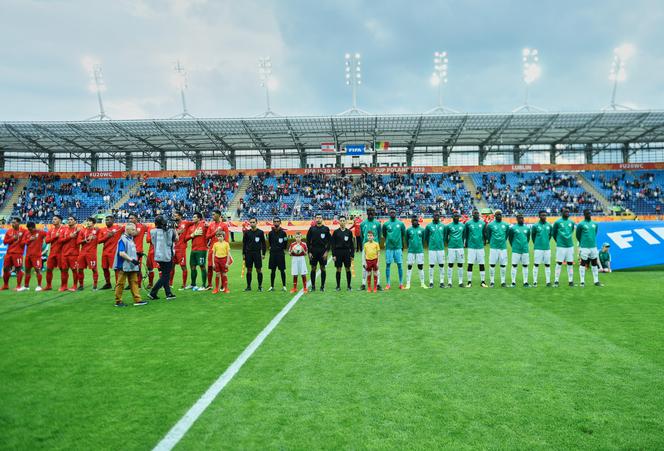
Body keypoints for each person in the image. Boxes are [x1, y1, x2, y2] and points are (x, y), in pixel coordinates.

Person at [114, 223, 147, 307]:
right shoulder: (122, 239)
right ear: (127, 230)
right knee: (120, 283)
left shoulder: (130, 239)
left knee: (134, 282)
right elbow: (121, 253)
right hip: (124, 265)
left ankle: (137, 300)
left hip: (131, 265)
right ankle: (118, 301)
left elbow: (128, 251)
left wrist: (137, 254)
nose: (134, 231)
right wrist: (132, 260)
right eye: (133, 229)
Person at [147, 215, 177, 301]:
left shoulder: (153, 231)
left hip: (158, 255)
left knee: (165, 274)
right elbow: (172, 241)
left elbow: (152, 242)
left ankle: (168, 293)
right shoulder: (169, 231)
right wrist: (173, 229)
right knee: (165, 275)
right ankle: (153, 292)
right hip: (167, 255)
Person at [576, 209, 602, 287]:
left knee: (594, 263)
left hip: (593, 247)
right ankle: (582, 281)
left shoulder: (595, 224)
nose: (589, 215)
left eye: (590, 213)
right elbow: (578, 235)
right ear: (584, 215)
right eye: (587, 213)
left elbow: (595, 233)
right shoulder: (581, 224)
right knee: (583, 263)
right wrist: (582, 242)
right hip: (584, 247)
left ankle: (596, 281)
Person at [306, 214, 331, 291]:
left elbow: (330, 241)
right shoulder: (312, 229)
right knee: (313, 268)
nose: (318, 219)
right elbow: (308, 241)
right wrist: (309, 252)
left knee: (323, 268)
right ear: (315, 219)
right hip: (313, 252)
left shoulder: (326, 229)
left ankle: (322, 286)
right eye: (317, 218)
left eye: (320, 218)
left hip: (323, 252)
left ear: (322, 219)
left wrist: (327, 251)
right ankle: (313, 286)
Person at [382, 208, 406, 290]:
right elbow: (384, 234)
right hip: (389, 247)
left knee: (400, 265)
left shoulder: (401, 224)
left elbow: (403, 234)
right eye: (391, 212)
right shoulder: (386, 224)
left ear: (396, 213)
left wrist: (402, 245)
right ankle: (388, 284)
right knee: (388, 265)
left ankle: (401, 283)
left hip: (398, 247)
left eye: (394, 212)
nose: (392, 213)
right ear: (389, 213)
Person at [98, 216, 124, 289]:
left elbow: (128, 229)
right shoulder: (102, 230)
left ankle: (118, 285)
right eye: (106, 220)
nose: (106, 221)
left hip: (114, 252)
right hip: (105, 252)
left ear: (113, 220)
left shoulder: (118, 228)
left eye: (108, 220)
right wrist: (107, 236)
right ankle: (108, 284)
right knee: (104, 268)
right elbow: (99, 241)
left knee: (116, 269)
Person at [552, 207, 576, 287]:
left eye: (568, 212)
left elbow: (571, 231)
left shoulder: (571, 222)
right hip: (561, 246)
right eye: (565, 212)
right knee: (559, 263)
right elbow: (554, 233)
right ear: (561, 212)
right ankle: (556, 281)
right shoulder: (557, 222)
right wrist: (558, 241)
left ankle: (570, 281)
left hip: (570, 246)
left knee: (570, 263)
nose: (567, 213)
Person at [206, 210, 229, 289]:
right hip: (212, 250)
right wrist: (215, 232)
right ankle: (209, 285)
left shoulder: (224, 225)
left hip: (221, 251)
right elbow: (207, 236)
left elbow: (227, 239)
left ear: (219, 215)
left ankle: (223, 285)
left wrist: (226, 251)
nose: (212, 216)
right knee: (210, 267)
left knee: (222, 269)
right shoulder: (211, 225)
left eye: (214, 214)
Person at [464, 209, 487, 288]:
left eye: (477, 213)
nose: (476, 214)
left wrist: (484, 241)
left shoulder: (483, 223)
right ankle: (469, 282)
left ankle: (483, 282)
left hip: (480, 247)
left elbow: (484, 233)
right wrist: (466, 242)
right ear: (472, 214)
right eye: (475, 213)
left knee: (482, 264)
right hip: (471, 247)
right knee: (470, 264)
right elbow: (466, 234)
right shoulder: (468, 223)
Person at [1, 217, 26, 291]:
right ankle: (5, 285)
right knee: (5, 269)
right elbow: (5, 242)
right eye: (12, 222)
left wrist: (21, 241)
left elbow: (25, 241)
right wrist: (13, 238)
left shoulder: (24, 231)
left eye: (14, 222)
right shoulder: (9, 231)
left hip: (18, 253)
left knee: (18, 269)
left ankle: (18, 286)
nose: (13, 224)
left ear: (18, 223)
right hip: (9, 253)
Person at [486, 209, 509, 288]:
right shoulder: (490, 225)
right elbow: (488, 235)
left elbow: (506, 236)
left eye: (500, 214)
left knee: (503, 265)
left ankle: (503, 281)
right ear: (494, 216)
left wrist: (502, 241)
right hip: (494, 248)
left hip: (503, 248)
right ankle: (492, 281)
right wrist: (492, 242)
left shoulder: (506, 225)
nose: (499, 216)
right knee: (492, 265)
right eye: (497, 214)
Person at [360, 208, 382, 290]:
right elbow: (362, 236)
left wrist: (376, 246)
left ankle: (378, 284)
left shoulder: (378, 224)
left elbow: (379, 236)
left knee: (376, 267)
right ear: (366, 213)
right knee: (364, 266)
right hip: (365, 248)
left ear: (374, 213)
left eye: (372, 212)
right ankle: (363, 284)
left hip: (375, 249)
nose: (370, 213)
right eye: (368, 212)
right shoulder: (362, 223)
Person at [242, 217, 266, 291]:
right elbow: (244, 244)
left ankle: (260, 286)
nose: (252, 223)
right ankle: (248, 287)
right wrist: (243, 253)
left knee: (259, 270)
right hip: (248, 253)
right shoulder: (247, 233)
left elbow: (263, 244)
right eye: (251, 222)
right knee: (249, 270)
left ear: (256, 223)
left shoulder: (260, 232)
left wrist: (263, 253)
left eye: (253, 222)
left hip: (257, 253)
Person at [186, 212, 209, 291]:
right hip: (193, 250)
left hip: (202, 250)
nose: (193, 218)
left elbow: (209, 230)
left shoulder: (203, 225)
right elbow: (186, 238)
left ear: (199, 218)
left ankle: (203, 285)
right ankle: (193, 284)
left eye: (195, 217)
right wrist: (192, 235)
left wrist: (207, 224)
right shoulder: (191, 227)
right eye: (193, 217)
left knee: (202, 266)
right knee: (192, 267)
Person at [332, 215, 354, 291]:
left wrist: (352, 255)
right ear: (339, 222)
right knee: (338, 269)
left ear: (346, 222)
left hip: (347, 253)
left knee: (348, 269)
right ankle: (338, 286)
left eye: (343, 220)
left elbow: (351, 244)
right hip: (338, 253)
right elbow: (333, 245)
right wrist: (333, 255)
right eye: (340, 220)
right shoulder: (335, 232)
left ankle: (349, 286)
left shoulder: (349, 232)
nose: (342, 222)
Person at [22, 221, 47, 291]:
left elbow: (48, 236)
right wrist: (30, 240)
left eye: (30, 229)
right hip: (28, 255)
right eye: (28, 229)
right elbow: (24, 242)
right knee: (27, 270)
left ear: (34, 227)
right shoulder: (27, 233)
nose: (29, 230)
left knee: (37, 270)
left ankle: (39, 286)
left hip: (36, 255)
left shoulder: (40, 232)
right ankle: (26, 286)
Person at [76, 217, 99, 291]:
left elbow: (102, 238)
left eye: (90, 221)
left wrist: (95, 237)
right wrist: (85, 240)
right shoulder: (83, 231)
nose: (88, 222)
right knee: (80, 269)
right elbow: (78, 242)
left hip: (91, 253)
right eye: (87, 221)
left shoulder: (97, 230)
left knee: (94, 269)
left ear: (93, 223)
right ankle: (81, 285)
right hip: (82, 253)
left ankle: (95, 286)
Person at [531, 210, 553, 287]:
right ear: (539, 216)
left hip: (547, 248)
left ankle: (548, 282)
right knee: (536, 264)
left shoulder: (549, 225)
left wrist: (546, 242)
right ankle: (534, 281)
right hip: (538, 248)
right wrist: (537, 243)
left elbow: (550, 236)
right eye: (542, 215)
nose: (544, 217)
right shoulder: (535, 226)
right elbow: (533, 236)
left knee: (547, 265)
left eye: (545, 215)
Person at [508, 213, 531, 288]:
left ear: (523, 219)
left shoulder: (527, 228)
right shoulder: (513, 228)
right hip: (516, 250)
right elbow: (510, 239)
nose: (521, 219)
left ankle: (525, 282)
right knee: (514, 266)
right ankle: (513, 282)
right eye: (519, 218)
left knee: (525, 266)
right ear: (517, 219)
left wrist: (524, 245)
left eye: (522, 218)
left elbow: (528, 238)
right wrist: (514, 246)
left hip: (525, 250)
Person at [424, 211, 446, 288]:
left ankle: (442, 282)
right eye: (435, 215)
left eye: (438, 215)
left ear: (439, 216)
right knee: (431, 265)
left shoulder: (443, 226)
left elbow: (445, 236)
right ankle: (431, 282)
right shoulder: (429, 226)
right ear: (433, 217)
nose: (436, 216)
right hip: (432, 249)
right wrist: (430, 244)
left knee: (441, 265)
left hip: (441, 248)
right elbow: (426, 237)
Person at [60, 216, 81, 292]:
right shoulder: (64, 230)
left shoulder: (78, 230)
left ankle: (75, 285)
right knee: (64, 270)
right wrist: (70, 236)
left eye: (71, 219)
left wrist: (78, 231)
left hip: (74, 254)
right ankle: (64, 286)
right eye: (68, 220)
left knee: (74, 270)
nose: (69, 221)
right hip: (64, 254)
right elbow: (60, 240)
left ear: (75, 221)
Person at [444, 211, 465, 288]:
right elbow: (446, 237)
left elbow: (464, 236)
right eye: (455, 216)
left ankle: (460, 282)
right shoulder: (448, 226)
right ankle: (449, 282)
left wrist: (462, 243)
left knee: (460, 264)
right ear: (452, 217)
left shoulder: (462, 225)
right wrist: (449, 243)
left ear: (459, 218)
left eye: (457, 216)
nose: (456, 218)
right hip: (451, 247)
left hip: (460, 247)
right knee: (450, 264)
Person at [405, 216, 427, 289]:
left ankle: (422, 283)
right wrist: (409, 247)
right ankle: (408, 283)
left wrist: (420, 246)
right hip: (411, 251)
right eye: (413, 220)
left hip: (419, 251)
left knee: (420, 267)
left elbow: (423, 239)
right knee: (409, 267)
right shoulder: (408, 230)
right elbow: (406, 240)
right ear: (411, 221)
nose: (414, 222)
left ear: (418, 221)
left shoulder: (422, 230)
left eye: (416, 220)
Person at [267, 217, 288, 291]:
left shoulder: (283, 233)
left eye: (277, 221)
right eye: (275, 221)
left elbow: (285, 243)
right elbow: (269, 243)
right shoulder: (270, 233)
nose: (276, 223)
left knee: (282, 270)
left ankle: (284, 286)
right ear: (273, 223)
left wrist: (281, 249)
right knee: (272, 270)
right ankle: (272, 286)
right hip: (272, 254)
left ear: (280, 222)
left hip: (280, 254)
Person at [44, 215, 64, 290]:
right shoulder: (51, 230)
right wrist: (55, 237)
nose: (53, 220)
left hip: (61, 253)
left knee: (62, 269)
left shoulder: (64, 229)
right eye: (53, 219)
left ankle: (63, 286)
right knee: (49, 269)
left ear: (60, 220)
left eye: (55, 219)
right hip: (52, 252)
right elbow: (46, 241)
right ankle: (48, 286)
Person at [173, 212, 192, 290]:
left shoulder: (186, 223)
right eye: (174, 215)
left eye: (175, 215)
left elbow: (195, 222)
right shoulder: (172, 225)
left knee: (183, 266)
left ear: (180, 216)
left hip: (181, 248)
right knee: (171, 266)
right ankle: (170, 284)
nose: (174, 216)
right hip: (173, 248)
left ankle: (184, 284)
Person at [128, 213, 147, 286]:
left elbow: (135, 233)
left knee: (137, 267)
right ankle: (132, 283)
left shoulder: (140, 226)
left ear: (136, 219)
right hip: (130, 250)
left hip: (138, 250)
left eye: (132, 218)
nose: (130, 220)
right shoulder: (129, 227)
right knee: (130, 267)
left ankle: (138, 283)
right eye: (129, 218)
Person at [211, 229, 232, 294]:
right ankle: (216, 289)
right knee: (217, 274)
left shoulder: (226, 244)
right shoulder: (215, 244)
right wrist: (213, 263)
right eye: (218, 236)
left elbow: (228, 254)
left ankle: (225, 288)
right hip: (217, 260)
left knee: (224, 274)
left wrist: (227, 262)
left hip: (224, 260)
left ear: (223, 237)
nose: (219, 238)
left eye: (221, 236)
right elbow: (213, 254)